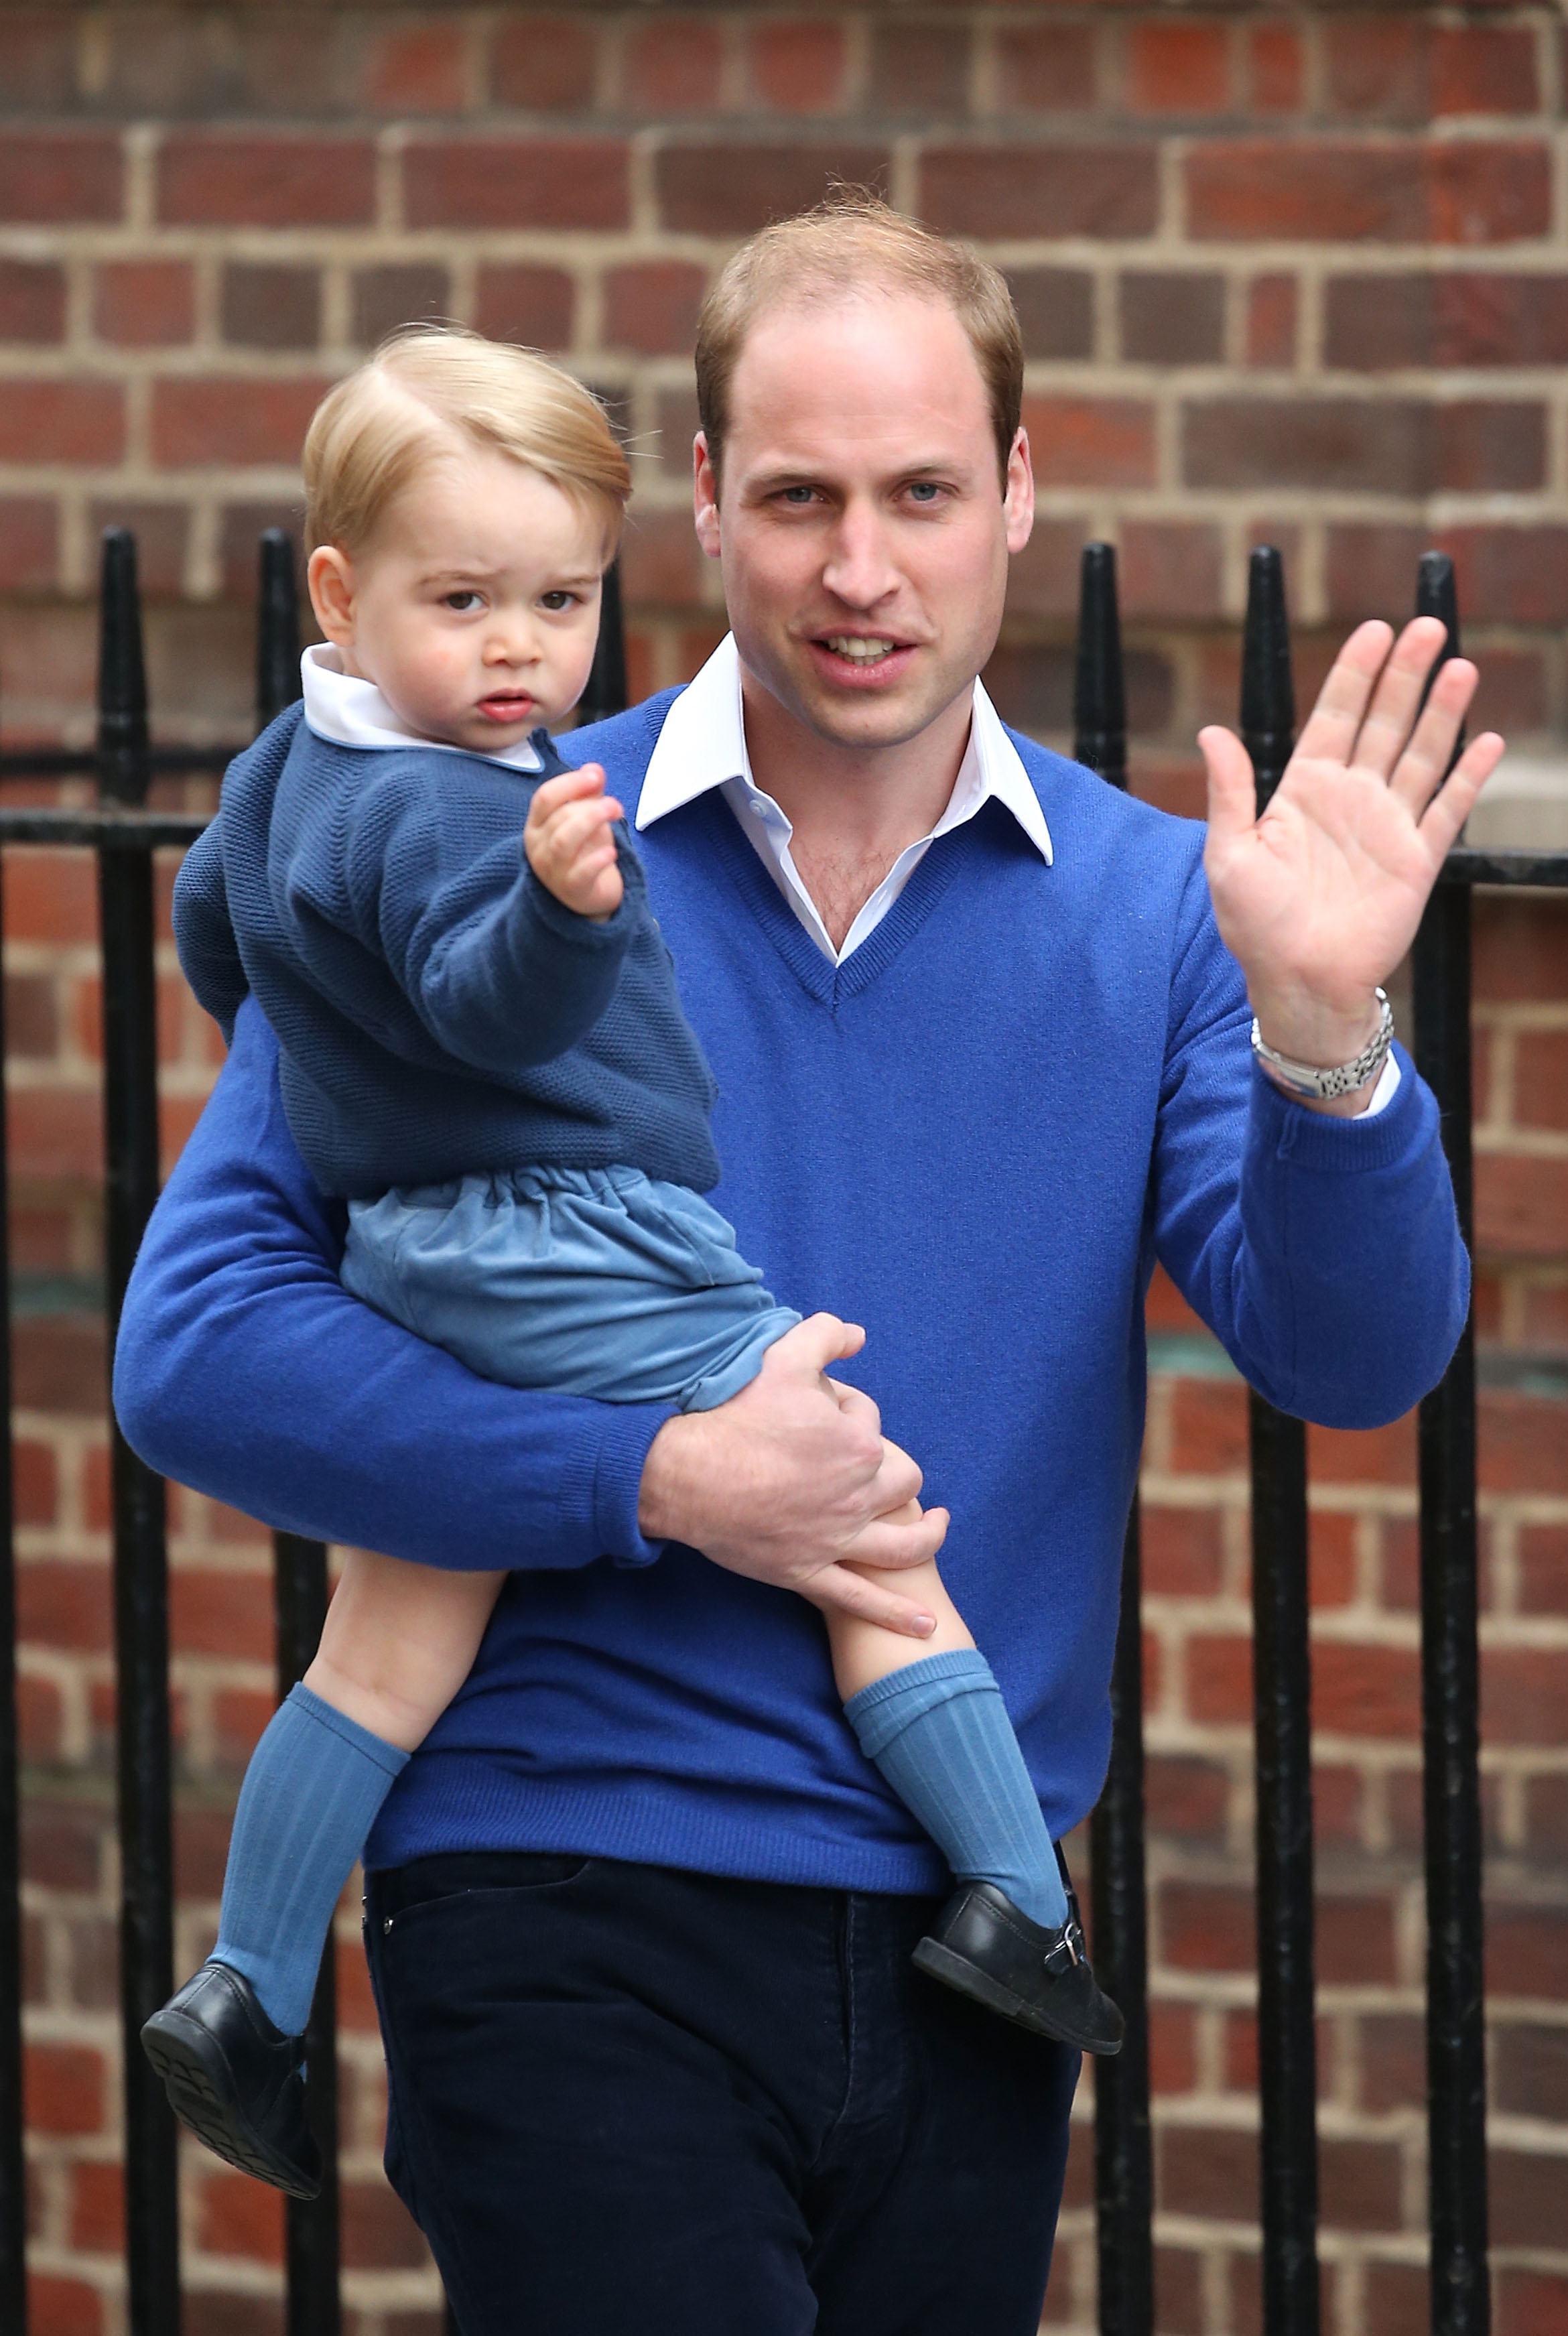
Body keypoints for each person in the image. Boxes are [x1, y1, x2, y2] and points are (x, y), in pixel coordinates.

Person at [115, 193, 1499, 2336]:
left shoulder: (1155, 915)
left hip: (968, 1941)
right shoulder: (485, 831)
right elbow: (196, 1352)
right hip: (567, 1890)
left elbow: (1352, 1356)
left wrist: (1322, 1027)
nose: (862, 571)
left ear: (1018, 498)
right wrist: (648, 1484)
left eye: (923, 494)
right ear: (700, 501)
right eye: (798, 499)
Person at [141, 320, 1122, 2202]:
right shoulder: (476, 807)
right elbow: (479, 996)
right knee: (869, 1521)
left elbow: (216, 929)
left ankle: (246, 1989)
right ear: (343, 590)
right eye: (467, 601)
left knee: (387, 1646)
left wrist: (328, 1054)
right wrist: (563, 911)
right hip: (580, 1229)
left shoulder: (288, 765)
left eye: (559, 602)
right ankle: (1015, 1902)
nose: (520, 652)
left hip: (416, 1253)